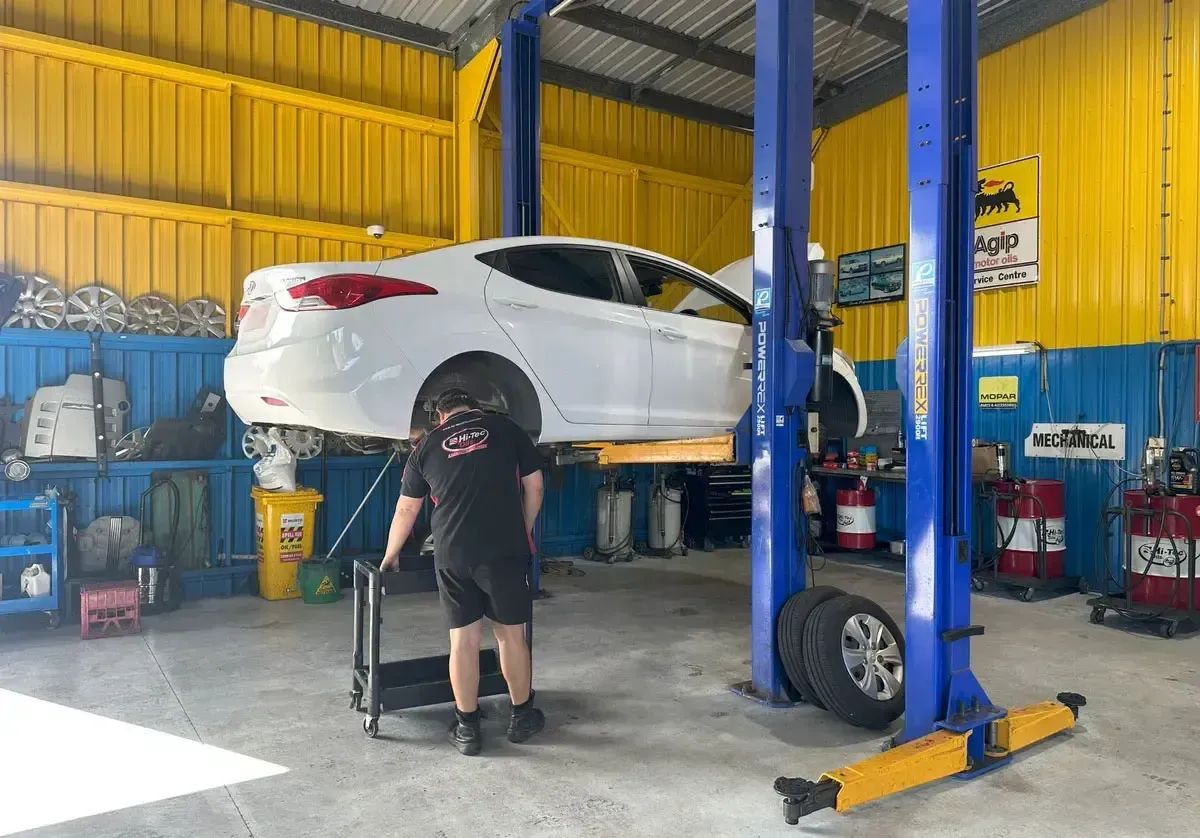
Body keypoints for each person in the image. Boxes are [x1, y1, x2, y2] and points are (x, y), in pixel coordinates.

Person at [380, 388, 545, 755]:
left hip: (452, 553)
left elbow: (406, 511)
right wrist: (525, 530)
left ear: (440, 416)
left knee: (463, 642)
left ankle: (467, 728)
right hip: (504, 550)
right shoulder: (505, 428)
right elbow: (534, 486)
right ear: (474, 406)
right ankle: (521, 718)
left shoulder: (425, 448)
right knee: (510, 637)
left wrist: (390, 556)